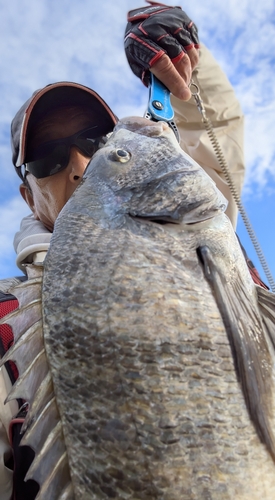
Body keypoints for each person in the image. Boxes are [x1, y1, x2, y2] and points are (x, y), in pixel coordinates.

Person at [0, 2, 248, 498]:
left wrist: (184, 66)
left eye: (97, 140)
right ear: (28, 197)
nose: (79, 163)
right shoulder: (8, 326)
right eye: (49, 158)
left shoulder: (193, 230)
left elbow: (212, 140)